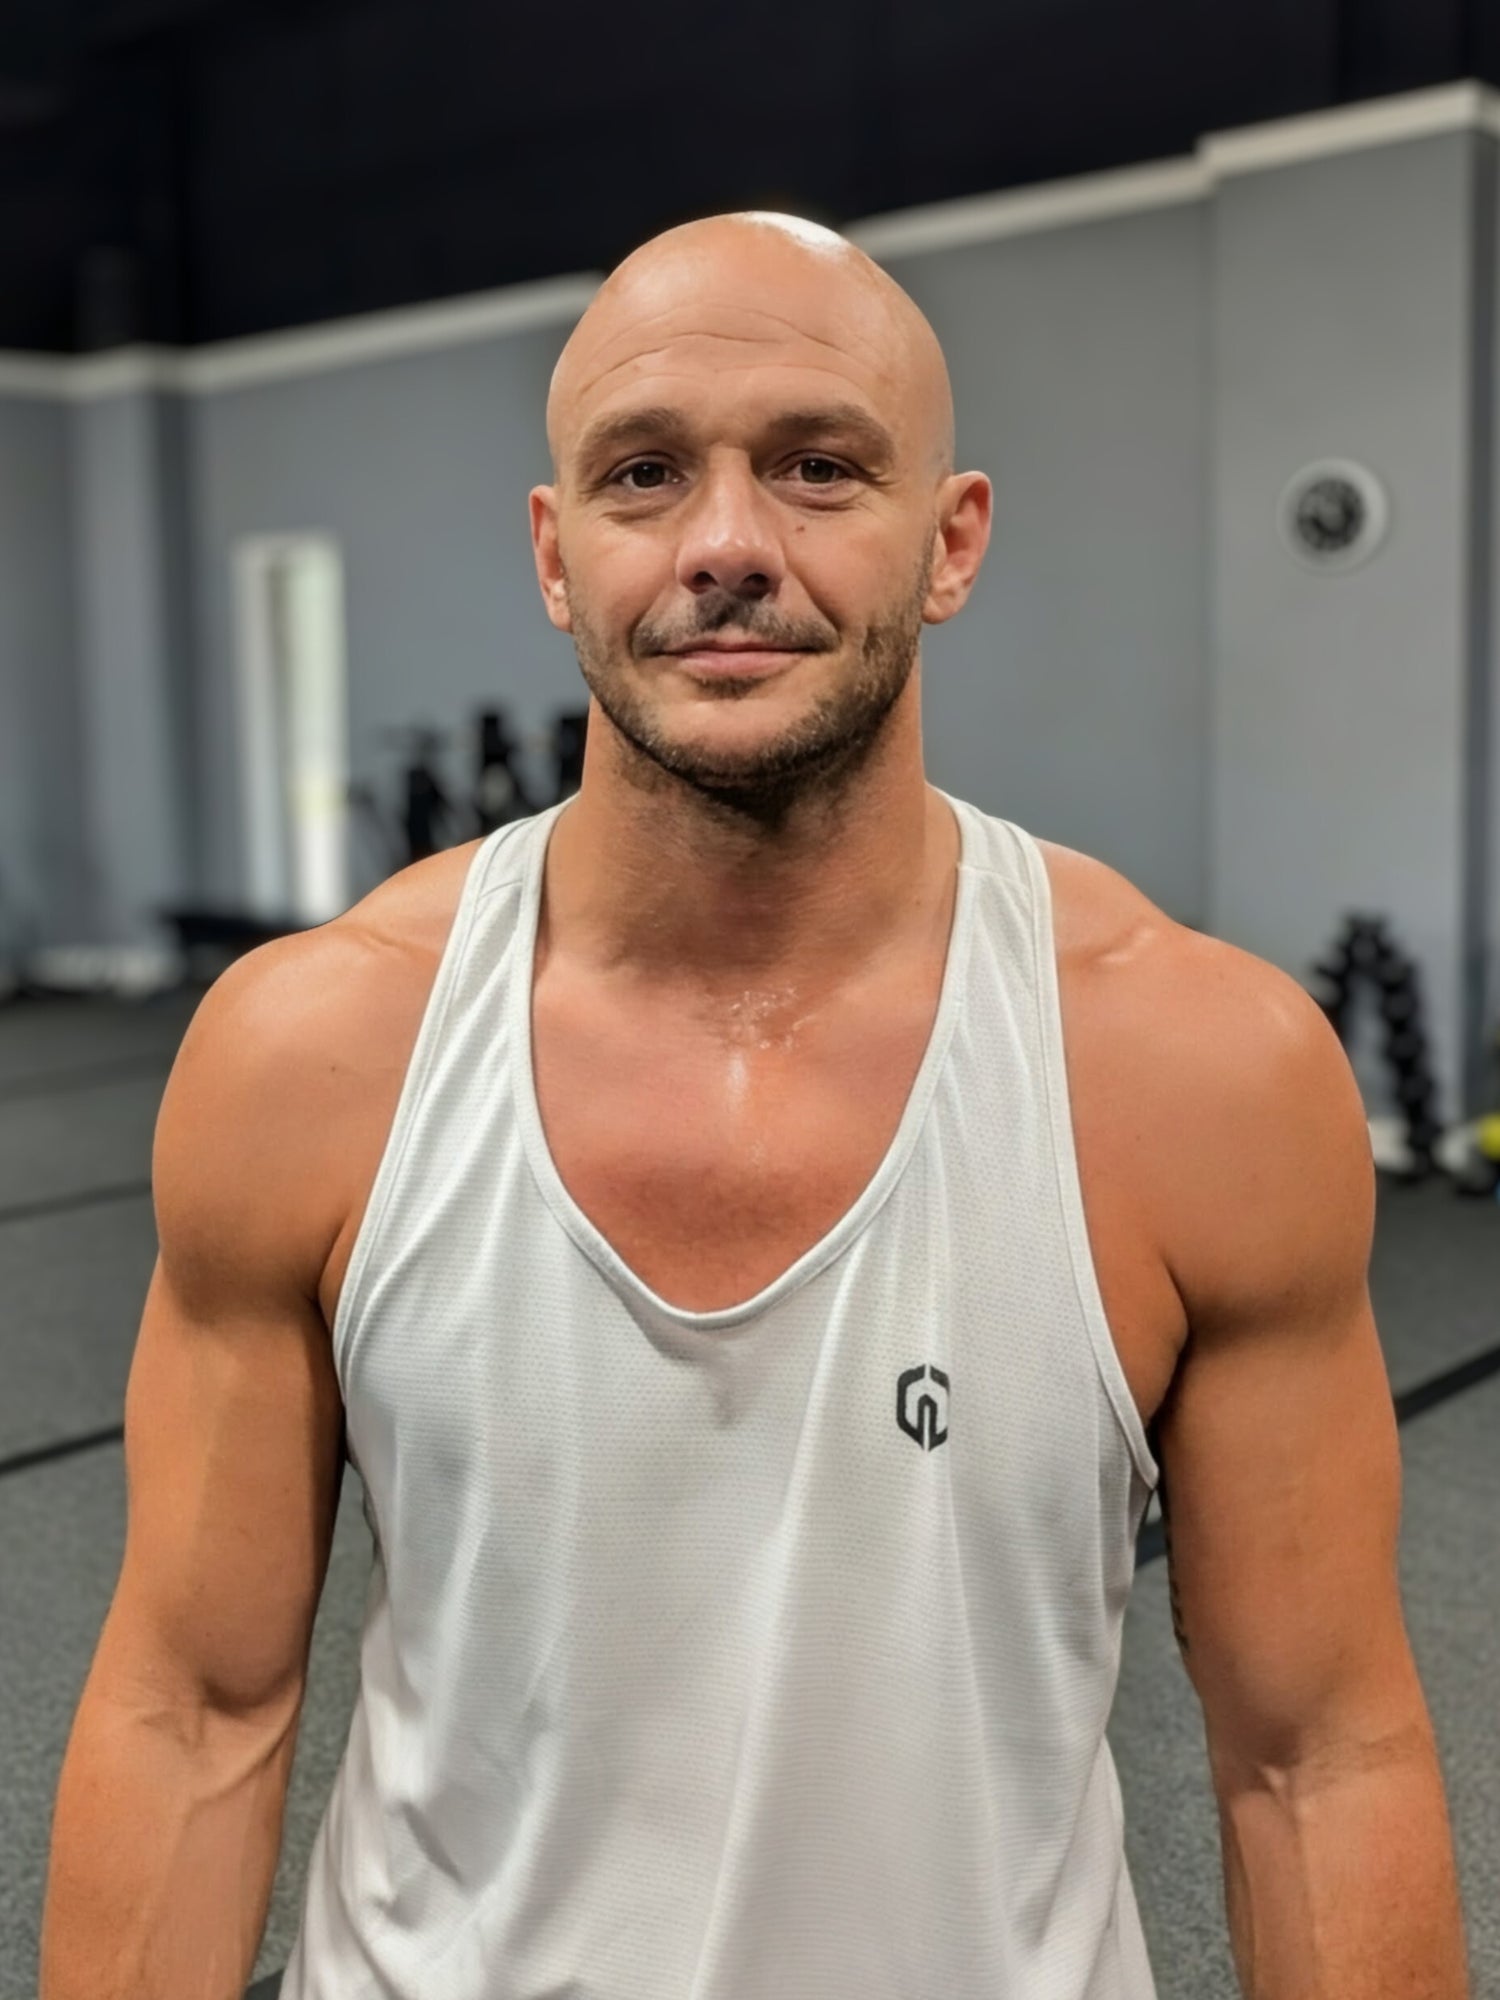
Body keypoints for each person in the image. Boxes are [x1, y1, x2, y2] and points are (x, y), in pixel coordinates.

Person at [41, 213, 1468, 2000]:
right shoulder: (310, 1053)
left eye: (816, 468)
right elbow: (191, 1710)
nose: (727, 545)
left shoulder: (1199, 1072)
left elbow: (1314, 1757)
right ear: (557, 558)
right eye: (647, 476)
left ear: (950, 543)